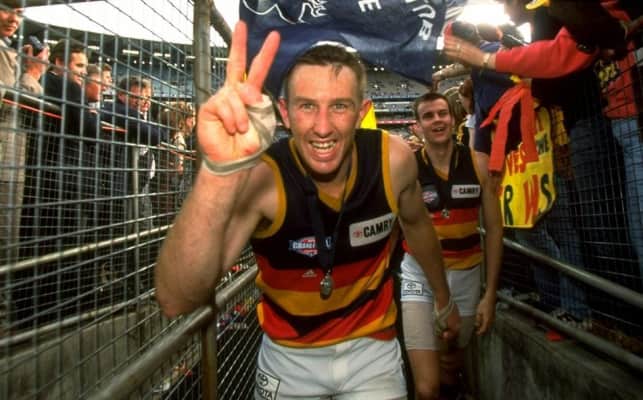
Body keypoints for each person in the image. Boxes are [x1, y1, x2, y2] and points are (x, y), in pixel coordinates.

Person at [155, 21, 460, 399]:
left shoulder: (392, 160)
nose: (322, 127)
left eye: (339, 106)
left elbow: (418, 228)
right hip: (289, 358)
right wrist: (217, 172)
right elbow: (177, 298)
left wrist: (444, 300)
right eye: (307, 106)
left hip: (373, 349)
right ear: (284, 112)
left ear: (362, 112)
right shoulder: (264, 178)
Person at [400, 92, 503, 400]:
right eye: (428, 116)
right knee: (426, 387)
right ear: (417, 126)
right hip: (419, 276)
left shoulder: (478, 163)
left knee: (450, 365)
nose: (437, 121)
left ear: (453, 118)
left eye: (442, 113)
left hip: (467, 274)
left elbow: (494, 230)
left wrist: (490, 294)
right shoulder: (407, 168)